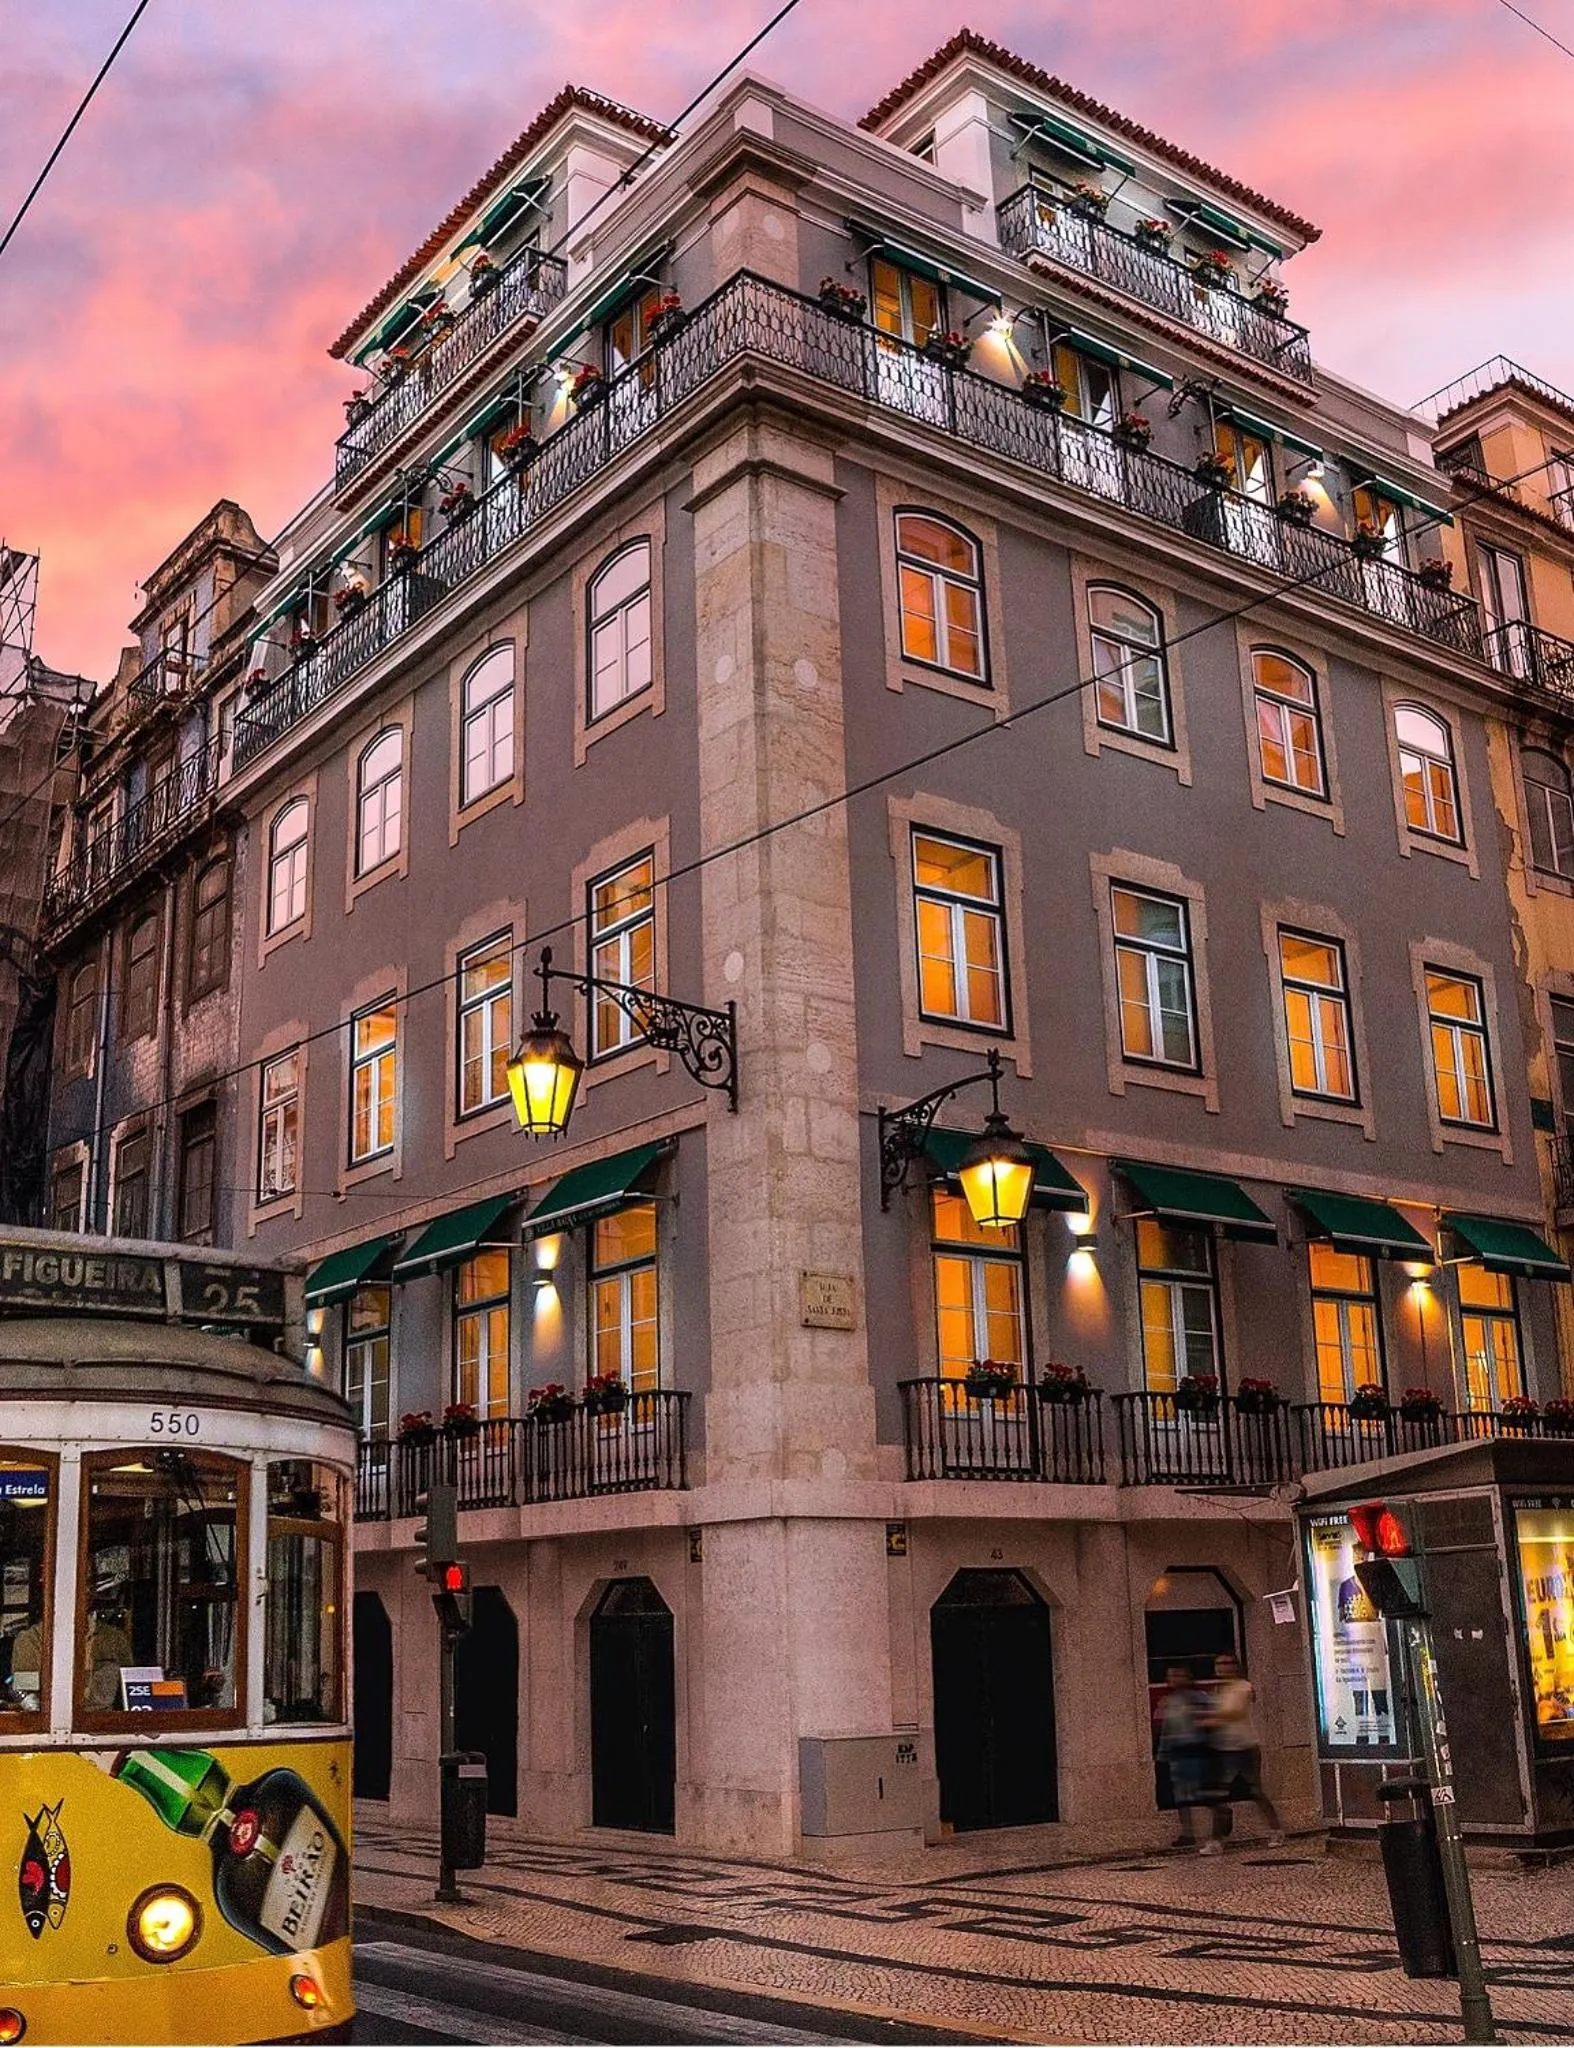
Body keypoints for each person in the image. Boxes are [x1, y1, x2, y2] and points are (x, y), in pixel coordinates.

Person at [1209, 1652, 1283, 1844]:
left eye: (1226, 1663)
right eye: (1218, 1663)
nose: (1221, 1667)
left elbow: (1234, 1712)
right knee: (1218, 1793)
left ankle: (1276, 1830)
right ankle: (1217, 1839)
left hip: (1245, 1747)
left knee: (1255, 1792)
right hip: (1224, 1748)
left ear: (1235, 1666)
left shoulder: (1244, 1687)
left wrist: (1209, 1719)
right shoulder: (1218, 1689)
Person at [1156, 1663, 1216, 1852]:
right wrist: (1163, 1752)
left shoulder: (1199, 1698)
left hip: (1196, 1751)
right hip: (1178, 1754)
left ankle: (1220, 1823)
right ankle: (1188, 1833)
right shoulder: (1171, 1701)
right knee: (1181, 1795)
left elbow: (1211, 1721)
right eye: (1170, 1676)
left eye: (1177, 1675)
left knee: (1202, 1791)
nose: (1173, 1679)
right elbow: (1167, 1728)